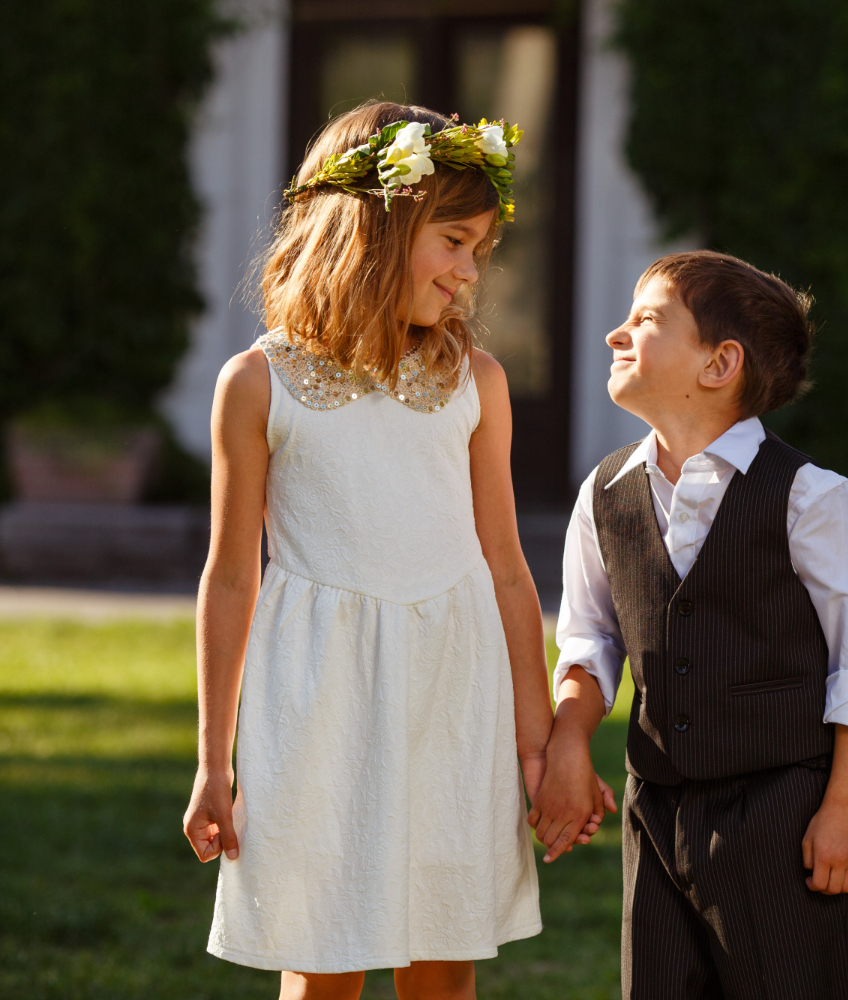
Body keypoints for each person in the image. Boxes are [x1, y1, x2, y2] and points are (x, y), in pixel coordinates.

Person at [181, 101, 611, 1000]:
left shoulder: (475, 384)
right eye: (453, 241)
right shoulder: (258, 386)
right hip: (318, 696)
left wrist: (537, 746)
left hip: (454, 694)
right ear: (375, 228)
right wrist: (213, 759)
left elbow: (505, 567)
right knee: (326, 957)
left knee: (444, 959)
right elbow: (229, 575)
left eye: (480, 252)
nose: (467, 272)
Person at [548, 250, 848, 999]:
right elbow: (590, 639)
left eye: (646, 320)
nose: (616, 334)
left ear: (719, 363)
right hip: (656, 809)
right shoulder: (604, 492)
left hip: (782, 817)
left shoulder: (810, 497)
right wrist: (570, 741)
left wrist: (842, 811)